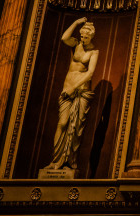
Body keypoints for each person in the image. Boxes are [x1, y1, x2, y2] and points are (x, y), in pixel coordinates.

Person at [43, 16, 98, 175]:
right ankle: (56, 162)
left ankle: (69, 162)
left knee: (75, 128)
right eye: (82, 36)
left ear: (92, 36)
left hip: (81, 92)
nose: (84, 38)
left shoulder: (94, 52)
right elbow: (64, 38)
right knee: (62, 123)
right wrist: (76, 23)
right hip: (67, 90)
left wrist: (74, 87)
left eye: (86, 37)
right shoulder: (75, 44)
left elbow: (90, 73)